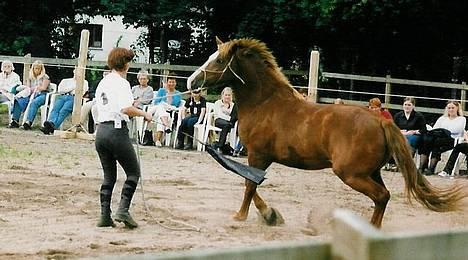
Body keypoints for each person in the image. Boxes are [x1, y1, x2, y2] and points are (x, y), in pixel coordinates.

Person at [94, 47, 152, 229]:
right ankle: (123, 210)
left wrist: (131, 106)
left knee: (109, 176)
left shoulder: (103, 82)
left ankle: (105, 216)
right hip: (116, 132)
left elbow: (117, 105)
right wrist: (144, 113)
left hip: (101, 132)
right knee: (134, 173)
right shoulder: (122, 83)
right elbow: (125, 109)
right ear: (125, 63)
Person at [418, 100, 466, 175]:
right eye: (449, 108)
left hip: (452, 139)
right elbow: (434, 129)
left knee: (436, 142)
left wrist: (443, 130)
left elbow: (456, 130)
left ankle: (431, 168)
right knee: (426, 140)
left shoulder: (461, 119)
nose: (451, 110)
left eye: (453, 108)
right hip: (438, 139)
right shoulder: (442, 118)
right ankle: (422, 167)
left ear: (457, 108)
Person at [40, 69, 89, 134]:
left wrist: (69, 89)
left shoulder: (84, 82)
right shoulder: (65, 80)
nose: (76, 75)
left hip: (73, 98)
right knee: (55, 109)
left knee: (64, 110)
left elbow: (82, 92)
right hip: (63, 96)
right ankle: (51, 123)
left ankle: (52, 126)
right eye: (75, 73)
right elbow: (60, 90)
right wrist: (74, 87)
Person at [8, 60, 50, 129]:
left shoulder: (45, 77)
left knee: (34, 102)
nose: (36, 70)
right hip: (31, 94)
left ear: (41, 69)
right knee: (19, 100)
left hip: (42, 94)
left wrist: (35, 88)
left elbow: (43, 88)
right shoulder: (30, 77)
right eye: (35, 68)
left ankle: (28, 122)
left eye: (38, 68)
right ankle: (15, 120)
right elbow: (28, 88)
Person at [147, 74, 182, 146]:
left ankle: (157, 140)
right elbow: (156, 102)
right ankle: (167, 126)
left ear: (175, 83)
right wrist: (167, 92)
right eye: (170, 82)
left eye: (173, 82)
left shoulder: (178, 93)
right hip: (156, 111)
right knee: (161, 106)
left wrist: (169, 93)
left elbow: (175, 104)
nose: (171, 84)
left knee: (162, 114)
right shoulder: (162, 91)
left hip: (168, 112)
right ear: (167, 82)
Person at [213, 87, 238, 153]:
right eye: (226, 95)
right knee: (227, 125)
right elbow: (220, 114)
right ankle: (220, 146)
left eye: (229, 95)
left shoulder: (233, 105)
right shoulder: (217, 103)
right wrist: (230, 118)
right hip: (218, 120)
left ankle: (229, 146)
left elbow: (235, 116)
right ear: (222, 95)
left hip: (229, 123)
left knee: (229, 125)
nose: (227, 97)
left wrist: (231, 119)